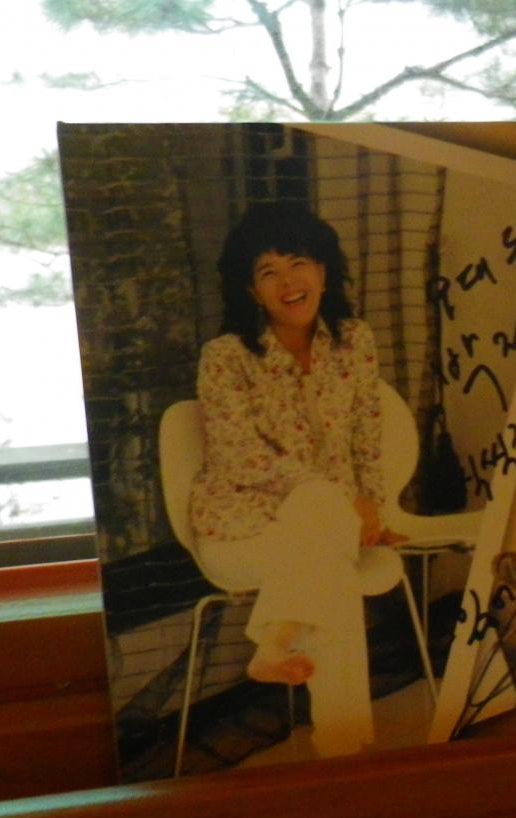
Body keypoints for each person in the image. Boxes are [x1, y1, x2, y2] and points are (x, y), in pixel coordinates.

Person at [189, 201, 403, 758]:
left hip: (326, 524)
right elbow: (238, 457)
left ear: (323, 272)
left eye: (299, 263)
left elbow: (367, 437)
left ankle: (276, 644)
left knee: (325, 551)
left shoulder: (355, 342)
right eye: (269, 272)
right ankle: (346, 747)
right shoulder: (225, 357)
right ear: (252, 291)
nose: (288, 283)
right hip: (241, 525)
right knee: (326, 542)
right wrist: (339, 500)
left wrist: (372, 508)